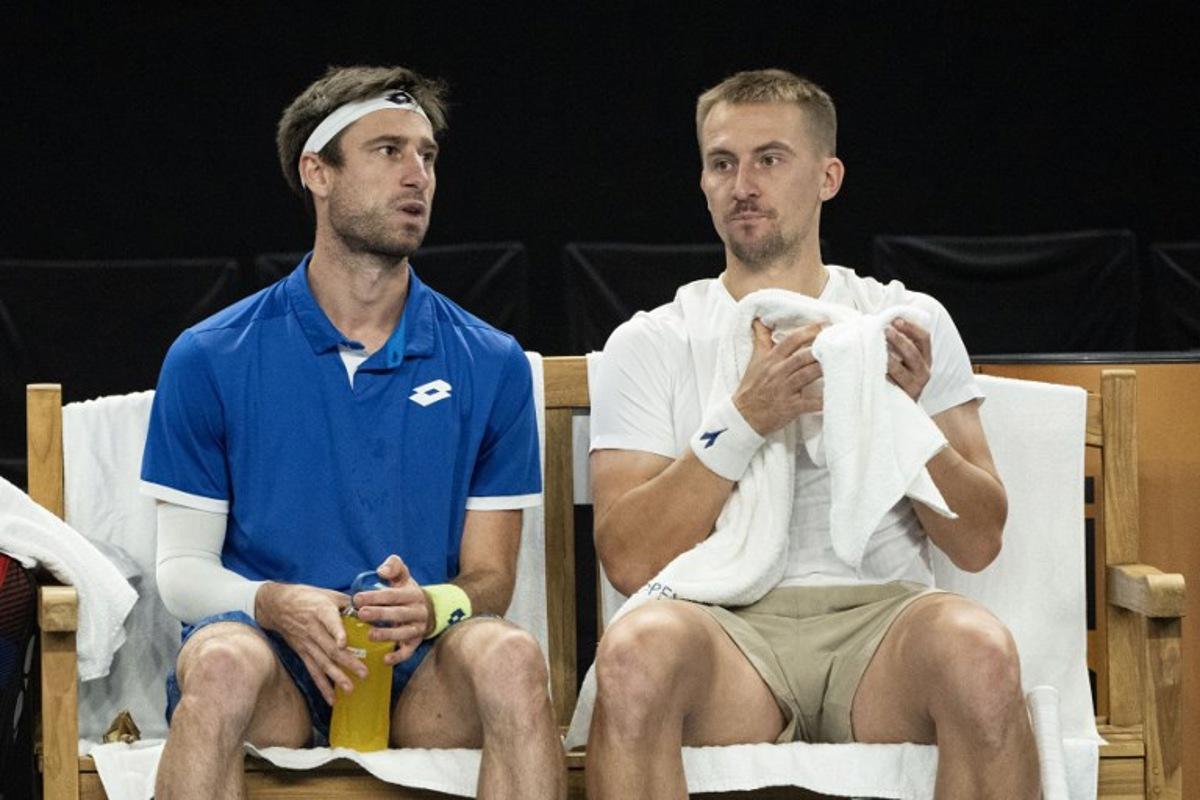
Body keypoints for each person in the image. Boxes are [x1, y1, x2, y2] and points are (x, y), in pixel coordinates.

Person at [585, 69, 1039, 799]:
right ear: (702, 182)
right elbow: (629, 559)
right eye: (722, 163)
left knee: (981, 654)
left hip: (881, 622)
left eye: (770, 159)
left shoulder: (902, 321)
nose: (743, 184)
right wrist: (744, 421)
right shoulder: (652, 339)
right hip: (723, 625)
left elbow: (978, 541)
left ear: (828, 177)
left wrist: (901, 417)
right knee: (635, 655)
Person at [141, 65, 564, 800]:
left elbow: (491, 577)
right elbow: (181, 574)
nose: (417, 176)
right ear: (318, 172)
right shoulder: (211, 354)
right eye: (388, 151)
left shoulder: (489, 361)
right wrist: (273, 602)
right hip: (270, 668)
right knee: (217, 662)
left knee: (512, 657)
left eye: (427, 156)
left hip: (420, 679)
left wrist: (436, 606)